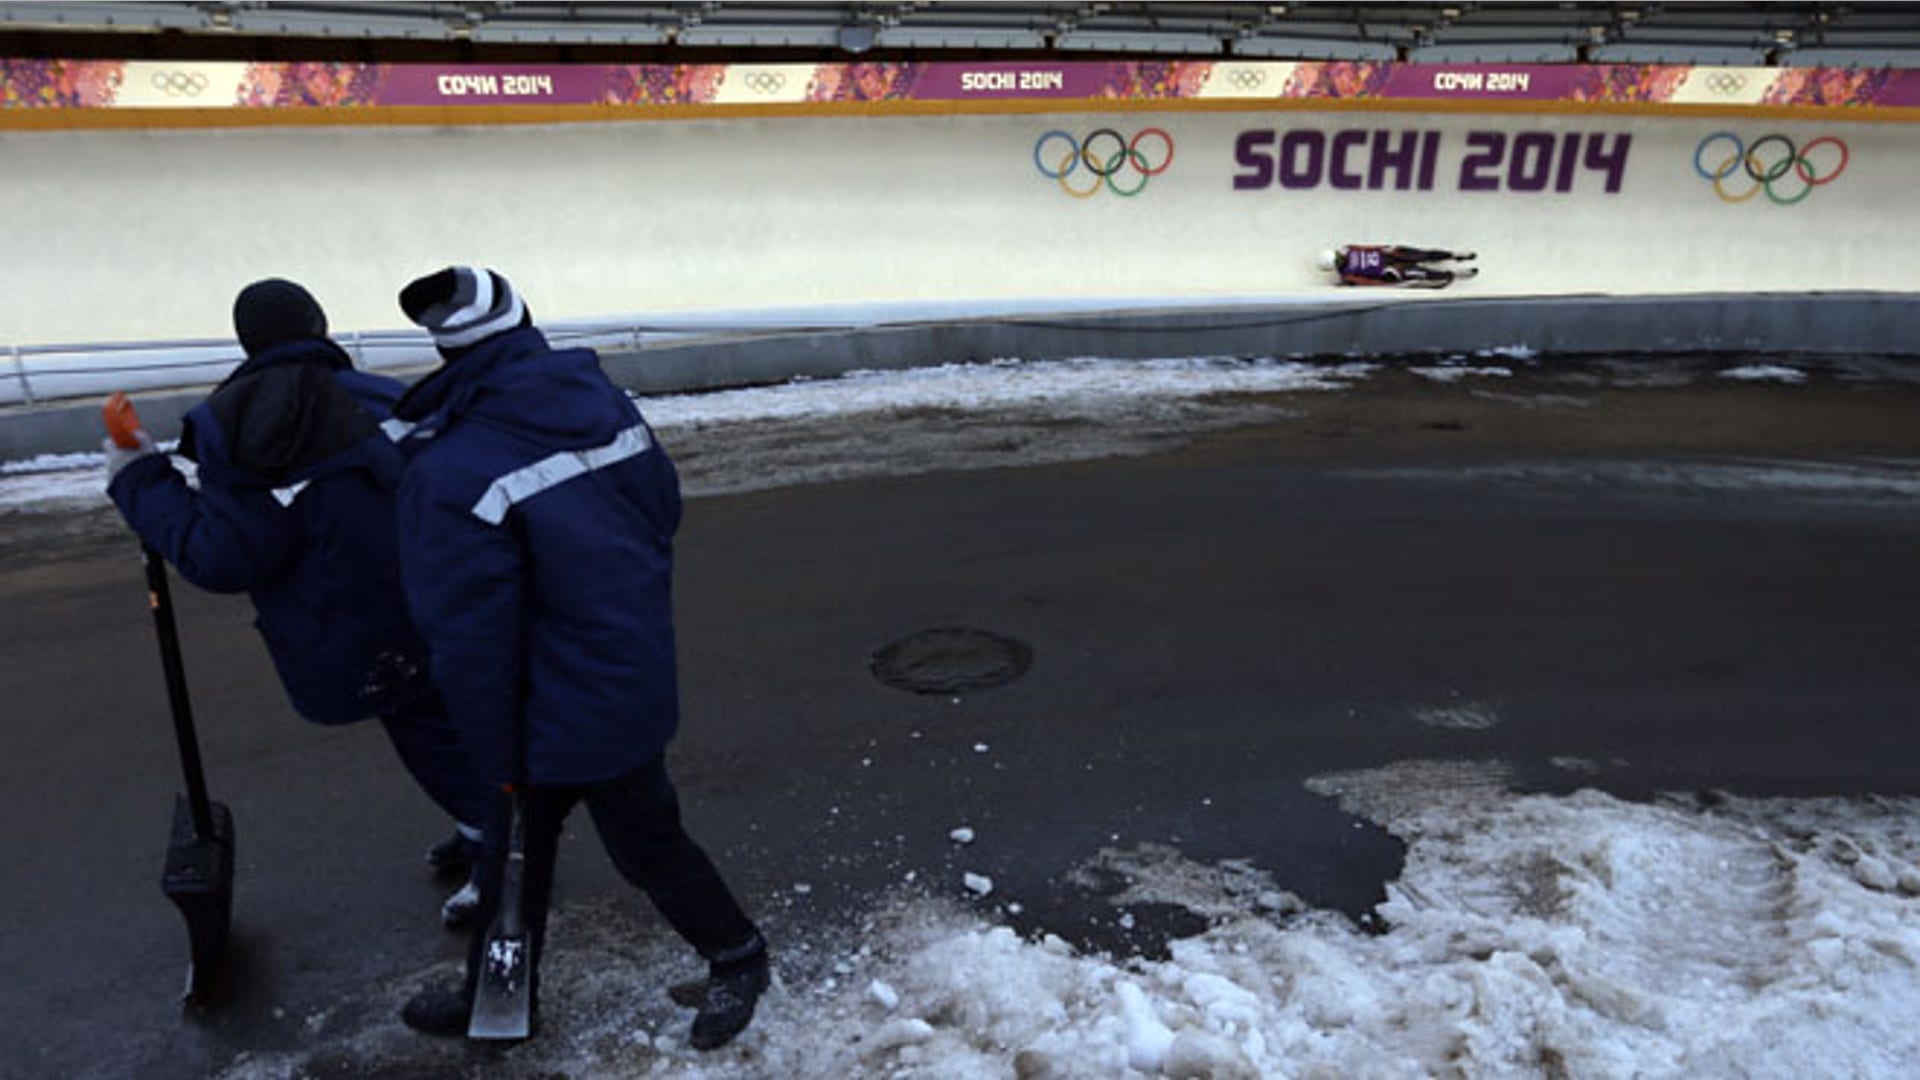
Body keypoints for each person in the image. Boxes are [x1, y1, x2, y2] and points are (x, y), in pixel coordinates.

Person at [387, 267, 768, 1051]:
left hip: (549, 708)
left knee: (633, 842)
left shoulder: (450, 469)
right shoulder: (601, 399)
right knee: (518, 854)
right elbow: (661, 508)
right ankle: (496, 992)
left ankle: (738, 956)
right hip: (625, 666)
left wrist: (486, 741)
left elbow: (467, 633)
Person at [103, 278, 491, 928]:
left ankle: (496, 850)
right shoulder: (384, 395)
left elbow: (226, 556)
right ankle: (481, 821)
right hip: (438, 597)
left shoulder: (232, 424)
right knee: (452, 723)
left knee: (432, 738)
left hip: (349, 622)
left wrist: (140, 479)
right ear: (320, 324)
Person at [1318, 244, 1478, 288]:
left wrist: (1386, 248)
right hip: (1391, 271)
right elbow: (1369, 283)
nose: (1341, 258)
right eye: (1337, 261)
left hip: (1390, 255)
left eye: (1338, 256)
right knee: (1423, 274)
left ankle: (1454, 254)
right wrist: (1389, 282)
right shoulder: (1347, 276)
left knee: (1423, 254)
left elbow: (1367, 248)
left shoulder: (1348, 248)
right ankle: (1456, 275)